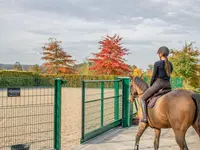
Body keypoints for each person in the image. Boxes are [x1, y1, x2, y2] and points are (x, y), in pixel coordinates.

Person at [140, 46, 173, 123]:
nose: (158, 54)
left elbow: (153, 76)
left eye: (158, 53)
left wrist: (151, 86)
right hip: (168, 85)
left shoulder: (157, 63)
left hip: (158, 84)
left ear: (161, 54)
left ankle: (145, 118)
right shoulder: (170, 64)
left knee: (143, 98)